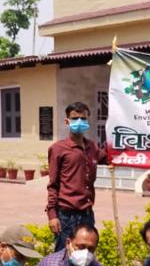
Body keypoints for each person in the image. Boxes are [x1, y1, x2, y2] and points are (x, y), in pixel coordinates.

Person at [46, 102, 108, 251]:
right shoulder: (58, 149)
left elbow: (107, 157)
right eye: (75, 119)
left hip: (87, 214)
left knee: (86, 255)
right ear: (67, 121)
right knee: (64, 256)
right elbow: (53, 184)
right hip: (66, 215)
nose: (79, 122)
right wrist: (52, 215)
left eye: (83, 118)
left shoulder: (92, 147)